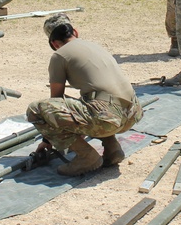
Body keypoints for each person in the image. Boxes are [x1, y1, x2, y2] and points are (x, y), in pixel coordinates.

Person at [26, 13, 143, 177]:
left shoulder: (59, 55)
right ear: (75, 32)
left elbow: (55, 101)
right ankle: (112, 148)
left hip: (108, 118)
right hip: (132, 113)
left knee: (37, 110)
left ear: (54, 43)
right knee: (91, 102)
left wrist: (47, 140)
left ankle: (87, 157)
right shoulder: (94, 46)